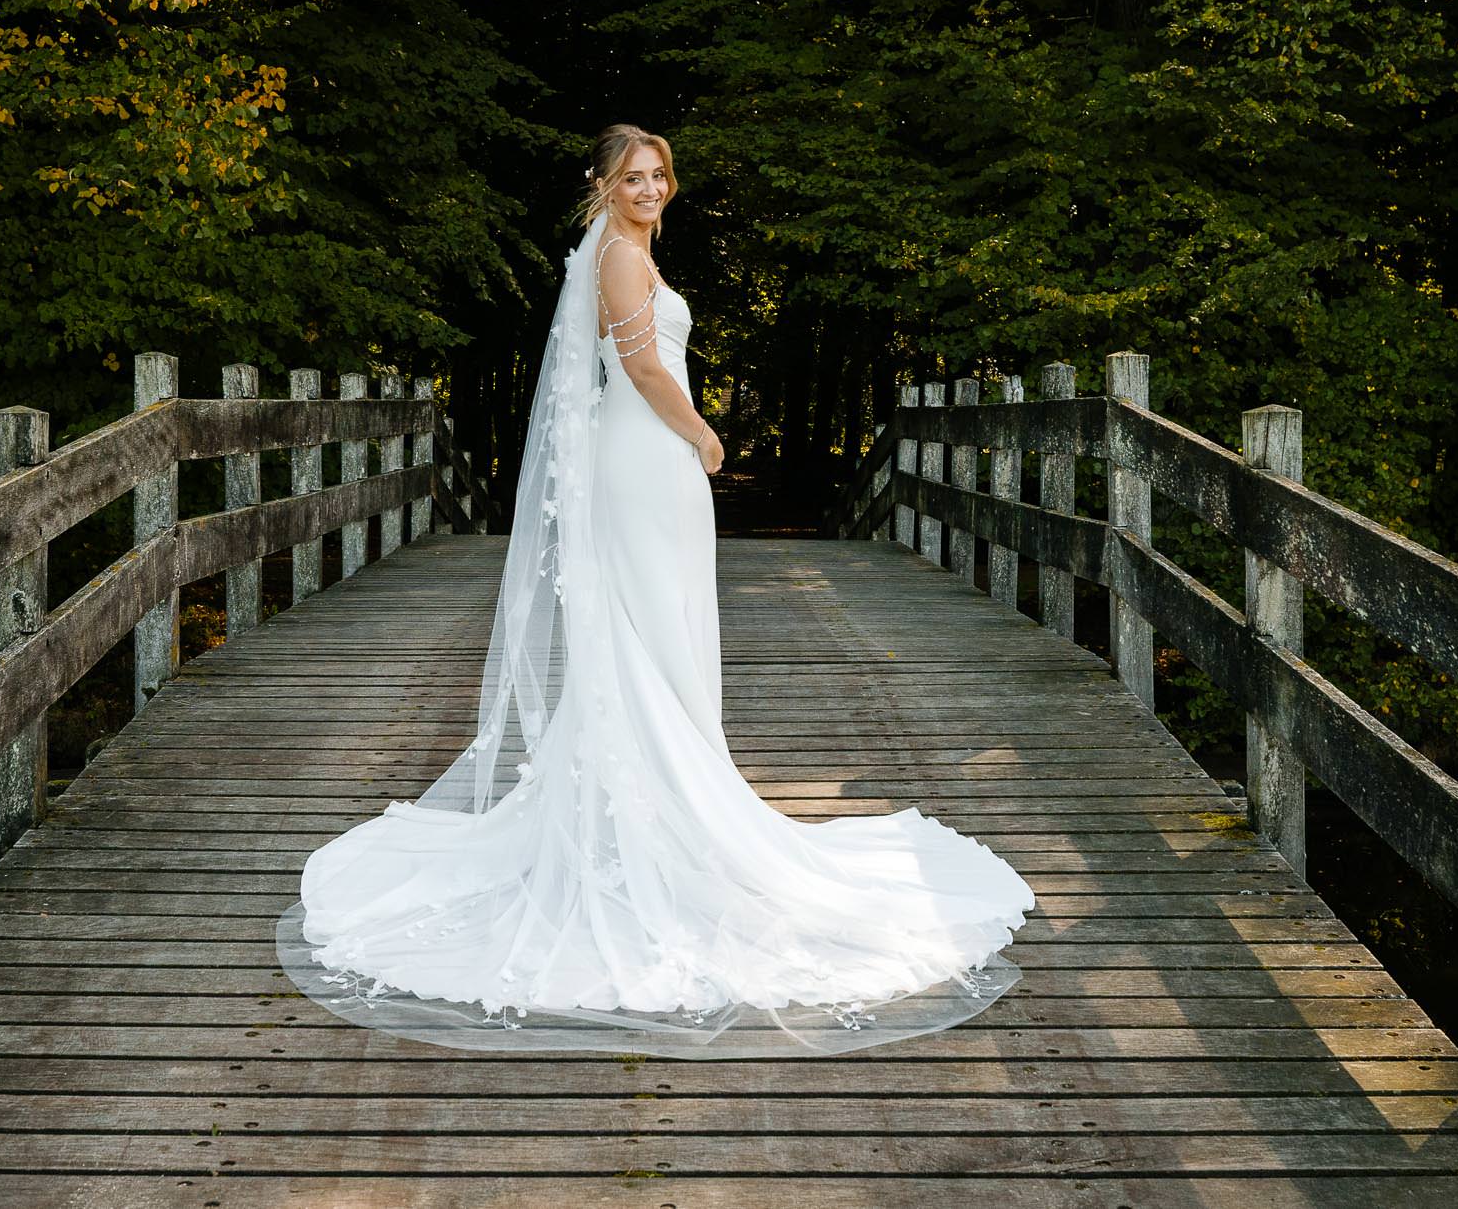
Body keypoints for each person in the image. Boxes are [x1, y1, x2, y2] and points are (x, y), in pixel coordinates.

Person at [276, 124, 1035, 1055]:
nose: (649, 187)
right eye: (631, 175)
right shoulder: (620, 257)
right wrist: (707, 435)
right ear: (601, 183)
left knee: (646, 631)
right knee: (649, 633)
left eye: (659, 174)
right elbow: (639, 367)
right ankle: (658, 825)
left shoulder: (618, 251)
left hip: (638, 458)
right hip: (646, 454)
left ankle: (648, 807)